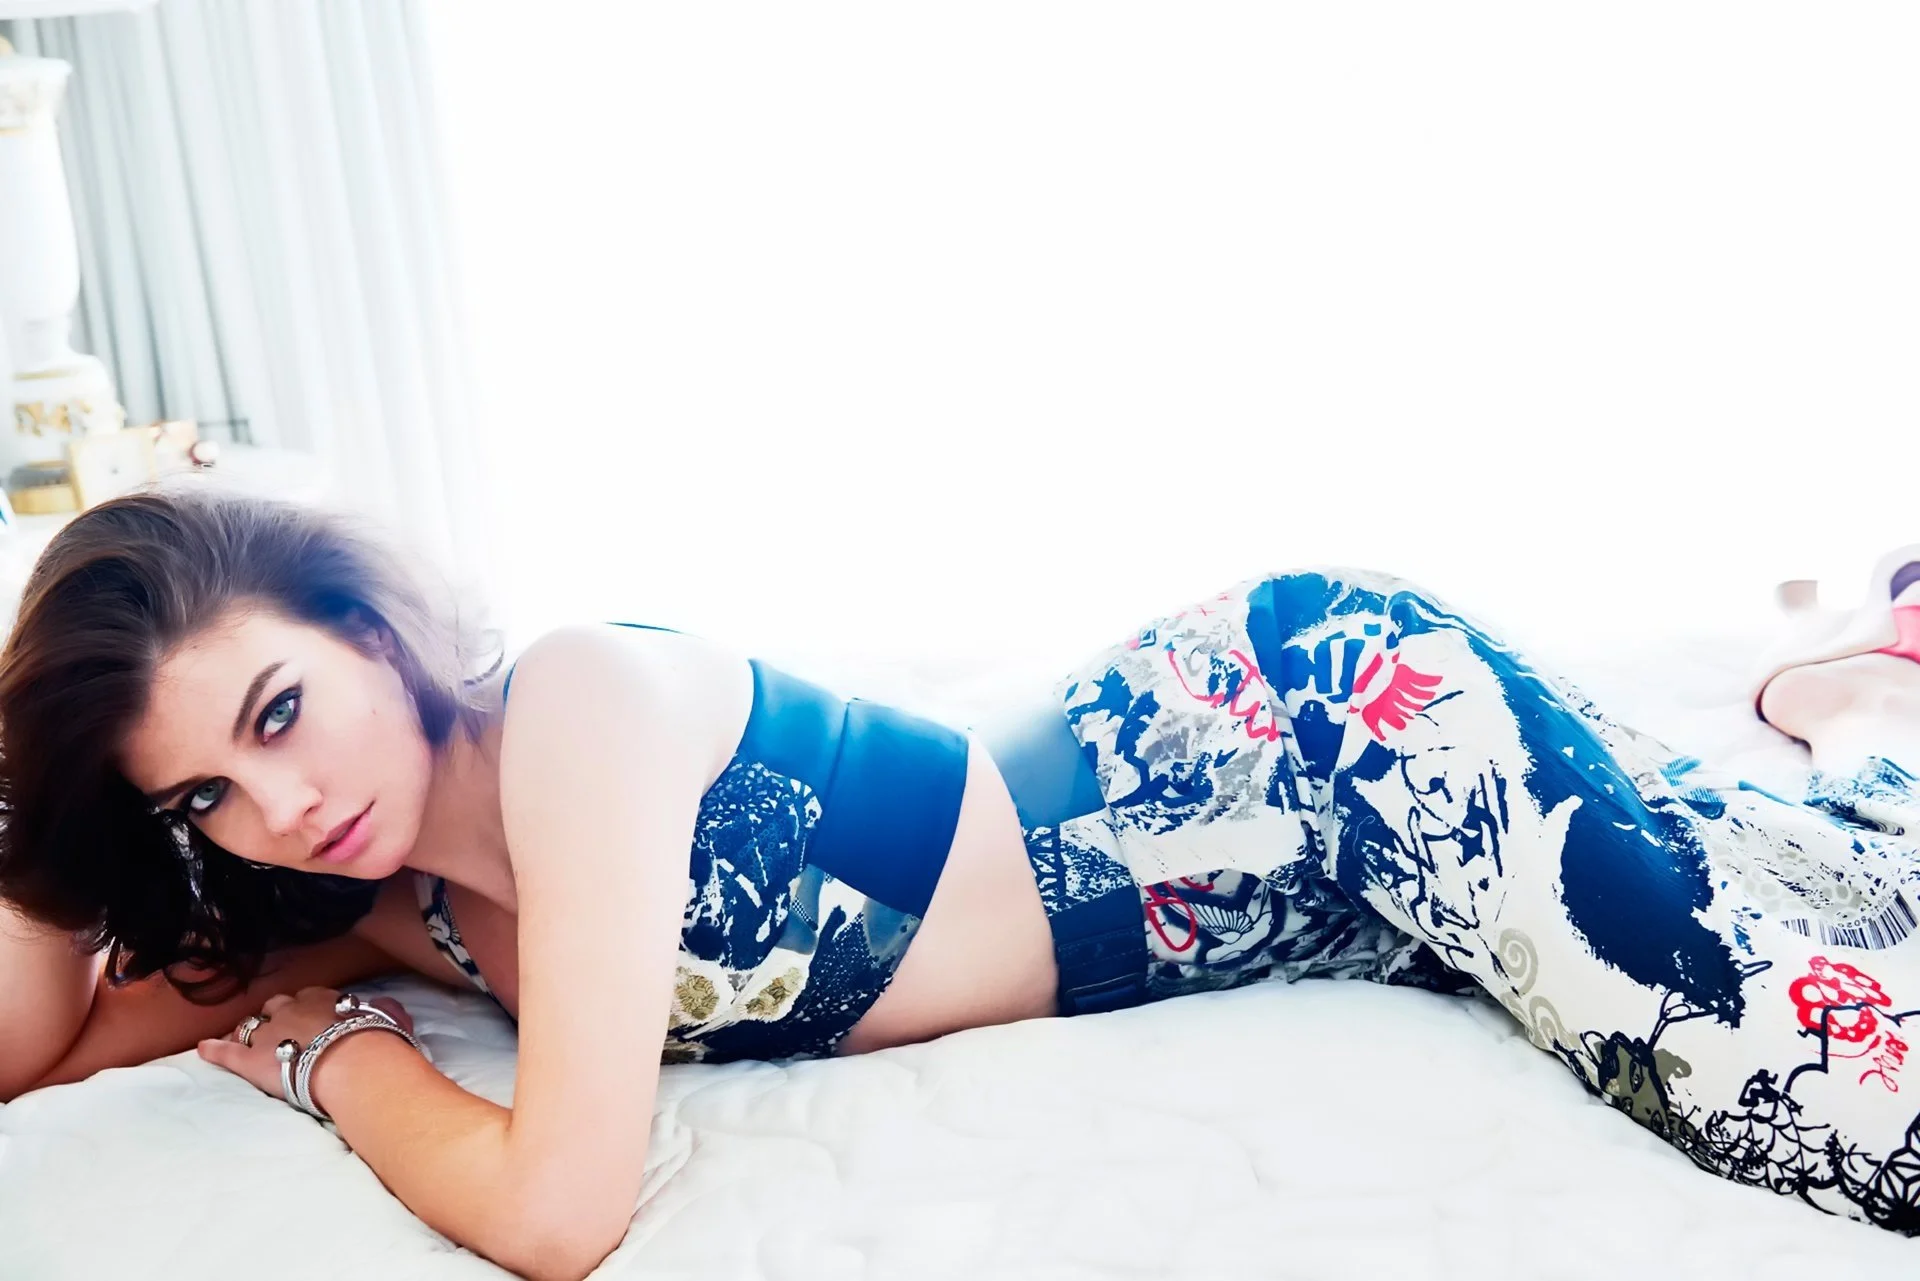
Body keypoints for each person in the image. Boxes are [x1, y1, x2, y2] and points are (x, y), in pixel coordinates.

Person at [1, 489, 1917, 1280]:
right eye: (206, 793)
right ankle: (1851, 702)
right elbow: (40, 1048)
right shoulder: (361, 900)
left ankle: (1862, 688)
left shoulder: (573, 704)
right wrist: (42, 820)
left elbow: (559, 1211)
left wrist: (338, 1063)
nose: (285, 799)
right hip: (1265, 909)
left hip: (1294, 725)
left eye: (281, 707)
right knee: (1820, 895)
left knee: (1818, 1094)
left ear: (365, 626)